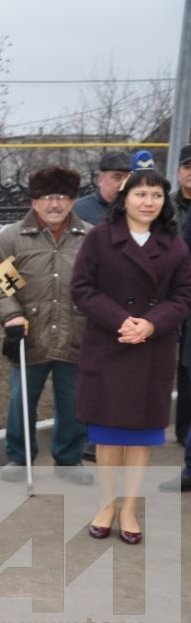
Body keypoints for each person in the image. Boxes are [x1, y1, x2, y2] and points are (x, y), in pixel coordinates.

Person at [71, 152, 191, 543]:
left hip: (151, 349)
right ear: (124, 199)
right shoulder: (99, 238)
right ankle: (107, 503)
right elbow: (82, 289)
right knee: (108, 436)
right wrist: (119, 320)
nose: (148, 201)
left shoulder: (174, 245)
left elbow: (184, 296)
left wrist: (152, 324)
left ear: (164, 202)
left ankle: (130, 508)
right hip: (109, 344)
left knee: (141, 436)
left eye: (156, 195)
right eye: (140, 193)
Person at [0, 166, 92, 485]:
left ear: (73, 201)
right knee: (21, 400)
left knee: (73, 401)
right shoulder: (13, 237)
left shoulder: (90, 237)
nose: (54, 204)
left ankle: (69, 459)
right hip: (28, 335)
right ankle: (19, 456)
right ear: (34, 202)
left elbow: (102, 283)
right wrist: (11, 315)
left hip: (76, 334)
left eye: (61, 197)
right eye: (47, 198)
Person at [163, 144, 191, 492]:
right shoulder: (167, 206)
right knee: (184, 370)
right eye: (186, 166)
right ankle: (183, 430)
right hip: (175, 298)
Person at [73, 151, 130, 227]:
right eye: (117, 177)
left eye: (128, 178)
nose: (123, 183)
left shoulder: (139, 208)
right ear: (100, 180)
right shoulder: (79, 210)